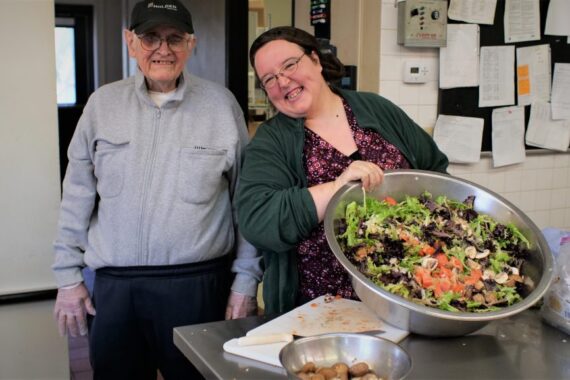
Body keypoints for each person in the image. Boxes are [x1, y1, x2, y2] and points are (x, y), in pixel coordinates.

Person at [51, 0, 261, 378]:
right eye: (150, 37)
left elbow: (244, 203)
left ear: (191, 44)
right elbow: (76, 196)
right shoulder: (102, 104)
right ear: (130, 42)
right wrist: (68, 277)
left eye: (174, 38)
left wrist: (246, 281)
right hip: (115, 287)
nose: (163, 49)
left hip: (198, 285)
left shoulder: (221, 105)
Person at [236, 26, 448, 315]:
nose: (283, 81)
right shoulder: (271, 141)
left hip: (412, 300)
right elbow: (257, 220)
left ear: (315, 59)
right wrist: (337, 189)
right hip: (322, 311)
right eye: (269, 79)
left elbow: (435, 172)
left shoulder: (376, 108)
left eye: (289, 65)